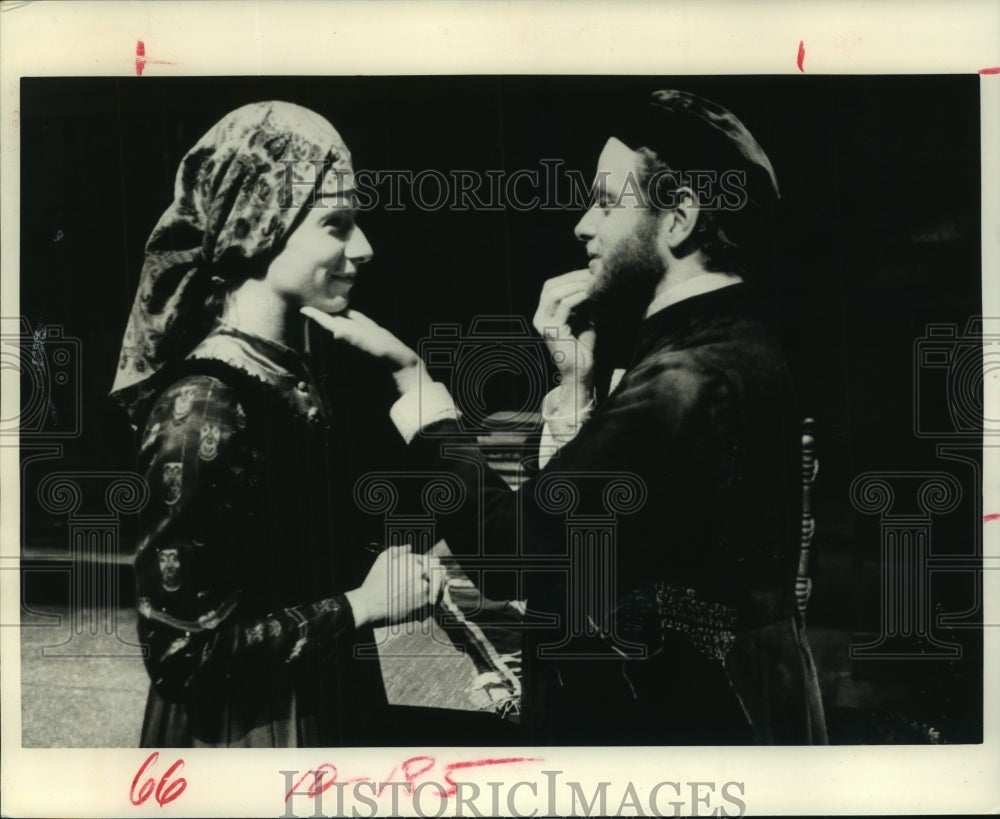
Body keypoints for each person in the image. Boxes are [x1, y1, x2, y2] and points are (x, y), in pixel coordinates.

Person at [304, 90, 829, 745]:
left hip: (694, 722)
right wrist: (577, 387)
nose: (583, 224)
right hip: (741, 703)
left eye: (608, 202)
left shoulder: (684, 378)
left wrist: (415, 384)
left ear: (678, 219)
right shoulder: (736, 341)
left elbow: (520, 554)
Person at [110, 101, 442, 747]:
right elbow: (182, 654)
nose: (364, 247)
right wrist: (363, 604)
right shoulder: (203, 406)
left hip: (323, 704)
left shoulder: (291, 374)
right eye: (336, 225)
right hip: (249, 735)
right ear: (260, 226)